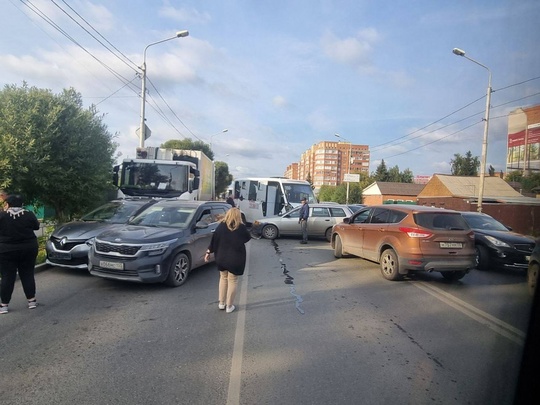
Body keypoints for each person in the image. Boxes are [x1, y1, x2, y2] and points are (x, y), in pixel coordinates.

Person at [205, 207, 251, 313]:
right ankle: (229, 306)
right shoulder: (241, 228)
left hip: (221, 257)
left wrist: (208, 252)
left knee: (223, 278)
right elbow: (247, 238)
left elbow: (214, 241)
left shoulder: (221, 226)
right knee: (232, 280)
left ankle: (221, 303)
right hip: (235, 259)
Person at [0, 195, 41, 314]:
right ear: (22, 204)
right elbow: (37, 227)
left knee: (7, 276)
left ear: (7, 204)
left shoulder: (2, 215)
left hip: (6, 250)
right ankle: (32, 301)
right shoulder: (29, 214)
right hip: (28, 248)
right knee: (27, 274)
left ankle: (4, 306)